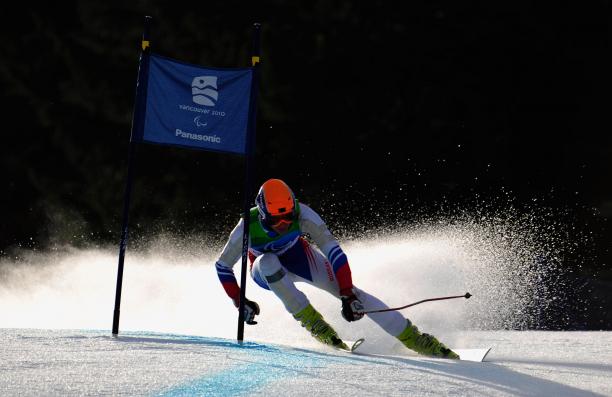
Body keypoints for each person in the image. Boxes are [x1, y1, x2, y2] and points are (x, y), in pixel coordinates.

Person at [214, 178, 459, 359]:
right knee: (268, 262)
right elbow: (223, 265)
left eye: (288, 217)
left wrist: (347, 295)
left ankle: (416, 339)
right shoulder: (248, 224)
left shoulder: (304, 213)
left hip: (300, 258)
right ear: (263, 214)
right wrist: (239, 300)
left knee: (355, 294)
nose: (283, 224)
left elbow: (335, 253)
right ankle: (316, 324)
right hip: (265, 272)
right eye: (275, 220)